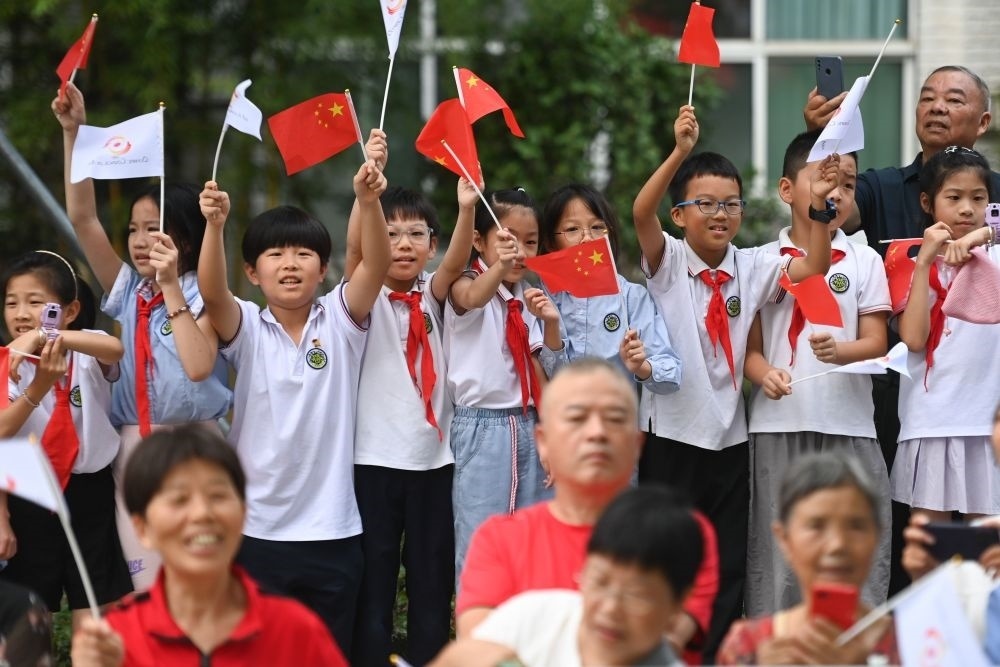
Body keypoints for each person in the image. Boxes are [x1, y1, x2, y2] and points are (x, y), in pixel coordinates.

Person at [630, 104, 835, 661]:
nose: (720, 214)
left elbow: (813, 267)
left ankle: (715, 654)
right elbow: (641, 211)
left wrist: (820, 209)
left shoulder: (752, 265)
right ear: (680, 215)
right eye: (706, 204)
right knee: (668, 559)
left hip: (729, 440)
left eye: (731, 204)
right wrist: (679, 151)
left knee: (724, 568)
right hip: (671, 437)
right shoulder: (668, 262)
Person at [195, 159, 389, 655]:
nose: (289, 263)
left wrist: (369, 203)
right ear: (252, 272)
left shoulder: (342, 319)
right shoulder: (247, 327)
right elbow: (212, 293)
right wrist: (215, 226)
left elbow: (376, 265)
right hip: (256, 531)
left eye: (304, 254)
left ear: (323, 271)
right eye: (275, 253)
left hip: (334, 532)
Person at [53, 82, 232, 590]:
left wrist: (171, 286)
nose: (139, 240)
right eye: (133, 229)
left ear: (187, 237)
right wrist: (73, 134)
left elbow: (198, 366)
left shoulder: (207, 292)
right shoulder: (129, 288)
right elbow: (83, 217)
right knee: (146, 583)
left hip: (198, 442)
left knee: (202, 579)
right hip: (134, 444)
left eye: (154, 228)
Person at [456, 357, 720, 664]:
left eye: (614, 418)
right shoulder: (499, 541)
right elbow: (481, 650)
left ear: (637, 444)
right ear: (543, 442)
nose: (597, 433)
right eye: (577, 418)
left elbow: (661, 645)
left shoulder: (681, 534)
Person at [744, 130, 892, 616]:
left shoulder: (865, 260)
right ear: (787, 190)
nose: (837, 192)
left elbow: (876, 341)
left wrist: (840, 351)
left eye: (847, 184)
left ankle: (856, 645)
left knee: (855, 553)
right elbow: (750, 350)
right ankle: (776, 645)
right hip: (778, 426)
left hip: (849, 425)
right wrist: (764, 374)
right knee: (779, 558)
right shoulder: (758, 261)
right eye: (824, 179)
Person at [347, 131, 476, 666]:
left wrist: (466, 208)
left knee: (430, 582)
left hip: (433, 463)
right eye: (391, 233)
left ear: (431, 244)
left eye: (415, 234)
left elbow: (458, 262)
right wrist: (367, 194)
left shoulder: (436, 294)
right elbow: (357, 250)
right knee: (374, 583)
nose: (402, 244)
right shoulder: (360, 295)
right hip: (373, 462)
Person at [69, 425, 348, 666]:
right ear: (142, 528)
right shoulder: (117, 638)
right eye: (179, 499)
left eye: (217, 495)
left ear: (243, 512)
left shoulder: (296, 630)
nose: (202, 513)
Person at [0, 251, 131, 627]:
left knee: (95, 602)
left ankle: (88, 651)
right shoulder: (7, 362)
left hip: (89, 491)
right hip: (29, 494)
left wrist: (45, 335)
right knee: (29, 612)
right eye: (11, 303)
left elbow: (115, 349)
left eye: (34, 302)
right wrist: (38, 387)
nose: (21, 314)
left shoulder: (87, 348)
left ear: (70, 311)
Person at [434, 486, 702, 667]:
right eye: (600, 581)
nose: (610, 608)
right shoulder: (534, 616)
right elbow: (459, 658)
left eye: (636, 595)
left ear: (678, 604)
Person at [445, 187, 567, 577]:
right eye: (508, 240)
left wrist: (551, 432)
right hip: (482, 430)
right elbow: (472, 297)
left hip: (530, 423)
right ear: (479, 240)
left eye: (530, 243)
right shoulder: (463, 283)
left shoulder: (527, 295)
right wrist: (500, 265)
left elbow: (538, 367)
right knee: (482, 545)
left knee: (536, 544)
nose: (520, 252)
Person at [891, 146, 1000, 523]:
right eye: (954, 198)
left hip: (988, 420)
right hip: (931, 418)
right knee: (931, 542)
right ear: (927, 202)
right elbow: (914, 339)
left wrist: (981, 237)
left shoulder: (996, 255)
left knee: (988, 545)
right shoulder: (905, 258)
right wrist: (924, 261)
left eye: (978, 198)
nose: (967, 209)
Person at [717, 453, 900, 665]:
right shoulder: (748, 646)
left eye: (856, 526)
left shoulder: (914, 643)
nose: (837, 545)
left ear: (878, 536)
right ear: (784, 539)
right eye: (816, 526)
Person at [538, 183, 681, 396]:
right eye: (572, 229)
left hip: (614, 413)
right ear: (550, 242)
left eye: (597, 227)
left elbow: (671, 376)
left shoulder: (631, 296)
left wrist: (641, 366)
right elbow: (551, 374)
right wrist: (551, 324)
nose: (587, 238)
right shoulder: (542, 297)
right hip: (560, 414)